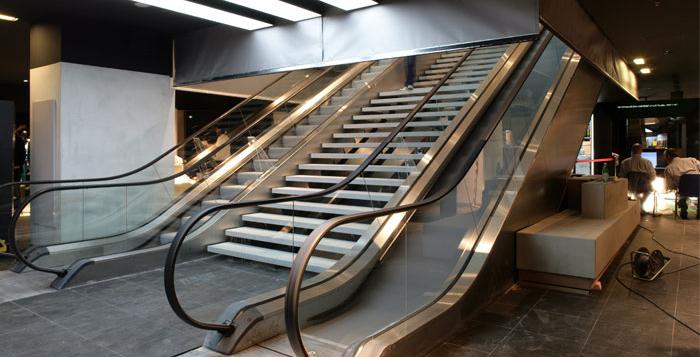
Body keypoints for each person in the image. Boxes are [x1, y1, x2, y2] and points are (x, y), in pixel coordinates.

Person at [663, 149, 700, 219]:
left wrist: (674, 188)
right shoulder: (691, 160)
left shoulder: (668, 168)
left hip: (684, 189)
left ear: (668, 156)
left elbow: (670, 186)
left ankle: (683, 213)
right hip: (698, 186)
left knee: (681, 192)